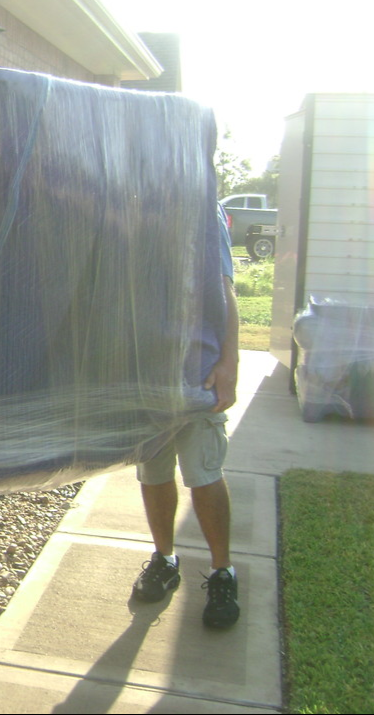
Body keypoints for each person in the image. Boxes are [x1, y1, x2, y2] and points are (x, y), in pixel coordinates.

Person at [130, 203, 241, 629]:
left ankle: (222, 571)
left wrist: (229, 363)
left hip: (198, 370)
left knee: (204, 474)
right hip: (144, 374)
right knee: (152, 473)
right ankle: (164, 560)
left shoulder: (202, 208)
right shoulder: (131, 200)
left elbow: (223, 287)